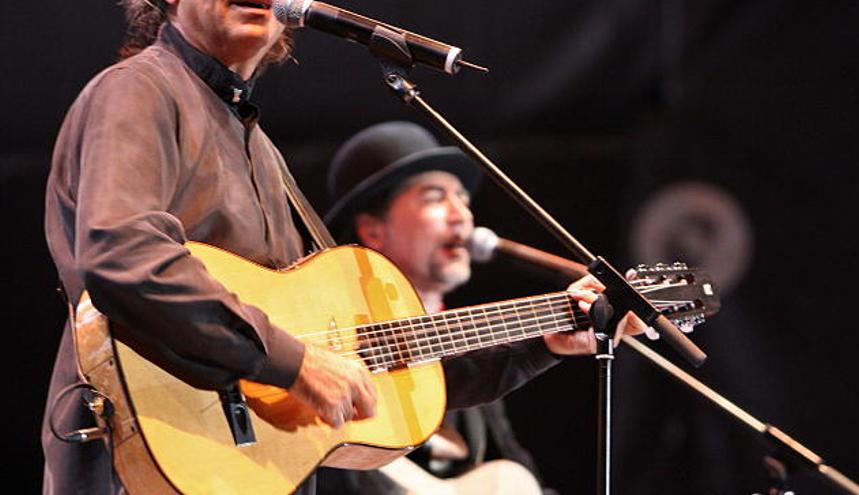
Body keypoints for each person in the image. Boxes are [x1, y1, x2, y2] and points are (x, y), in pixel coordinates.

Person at [41, 2, 645, 495]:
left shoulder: (261, 152)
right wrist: (294, 362)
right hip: (139, 459)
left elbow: (376, 358)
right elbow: (124, 253)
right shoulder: (139, 90)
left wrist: (544, 339)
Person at [315, 121, 625, 494]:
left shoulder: (473, 340)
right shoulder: (332, 345)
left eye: (461, 197)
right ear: (373, 230)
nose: (461, 214)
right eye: (434, 197)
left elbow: (515, 476)